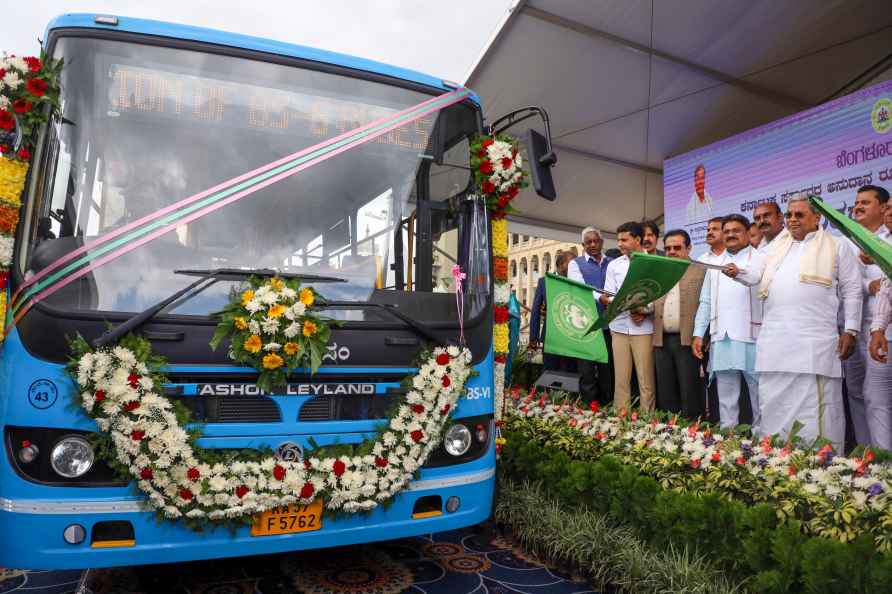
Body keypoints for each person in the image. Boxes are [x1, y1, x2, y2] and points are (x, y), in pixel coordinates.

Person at [741, 196, 862, 452]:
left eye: (799, 215)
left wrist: (851, 329)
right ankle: (777, 463)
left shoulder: (837, 246)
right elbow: (752, 274)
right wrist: (736, 271)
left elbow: (853, 290)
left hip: (813, 345)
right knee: (774, 407)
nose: (792, 220)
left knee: (816, 415)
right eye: (789, 215)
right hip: (775, 345)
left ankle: (820, 471)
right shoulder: (771, 249)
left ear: (817, 218)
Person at [691, 215, 765, 430]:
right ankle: (729, 440)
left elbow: (755, 277)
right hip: (721, 336)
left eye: (737, 230)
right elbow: (705, 300)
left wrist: (737, 272)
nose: (731, 234)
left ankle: (763, 441)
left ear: (747, 233)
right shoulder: (714, 264)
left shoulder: (759, 257)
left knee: (758, 393)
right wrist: (698, 333)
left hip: (752, 336)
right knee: (726, 394)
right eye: (728, 231)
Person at [843, 184, 892, 450]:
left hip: (882, 330)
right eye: (856, 202)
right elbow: (842, 282)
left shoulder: (888, 236)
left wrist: (875, 284)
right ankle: (866, 454)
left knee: (878, 396)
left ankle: (884, 458)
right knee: (855, 392)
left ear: (883, 207)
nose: (858, 206)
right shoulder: (846, 240)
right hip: (853, 328)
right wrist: (866, 286)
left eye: (865, 202)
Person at [599, 222, 655, 412]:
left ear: (638, 239)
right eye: (618, 240)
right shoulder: (614, 265)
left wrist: (644, 310)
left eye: (624, 239)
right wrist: (620, 303)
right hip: (619, 327)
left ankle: (648, 422)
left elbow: (660, 294)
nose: (620, 244)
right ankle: (621, 420)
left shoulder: (654, 262)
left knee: (646, 380)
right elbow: (608, 294)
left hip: (644, 329)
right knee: (621, 379)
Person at [652, 229, 706, 418]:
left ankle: (692, 435)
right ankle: (668, 433)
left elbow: (706, 305)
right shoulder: (659, 270)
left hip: (687, 341)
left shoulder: (701, 270)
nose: (672, 251)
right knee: (666, 391)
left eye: (677, 247)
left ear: (689, 248)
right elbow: (651, 301)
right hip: (661, 340)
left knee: (689, 391)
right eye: (668, 248)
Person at [567, 227, 613, 402]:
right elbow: (580, 288)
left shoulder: (612, 262)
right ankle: (589, 409)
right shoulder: (575, 264)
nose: (593, 244)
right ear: (583, 245)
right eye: (589, 242)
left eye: (596, 241)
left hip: (609, 325)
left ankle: (608, 407)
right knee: (586, 372)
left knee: (607, 369)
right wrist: (600, 297)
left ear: (601, 242)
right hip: (585, 326)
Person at [694, 216, 725, 424]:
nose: (709, 232)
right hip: (707, 327)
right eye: (708, 229)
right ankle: (714, 421)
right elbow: (703, 300)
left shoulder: (741, 259)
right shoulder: (700, 260)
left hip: (735, 328)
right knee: (712, 379)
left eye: (715, 229)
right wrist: (699, 332)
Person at [529, 252, 577, 372]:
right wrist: (533, 337)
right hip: (550, 337)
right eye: (571, 264)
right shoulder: (544, 282)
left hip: (573, 337)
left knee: (571, 372)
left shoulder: (577, 282)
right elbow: (535, 310)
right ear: (560, 264)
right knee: (548, 372)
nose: (575, 267)